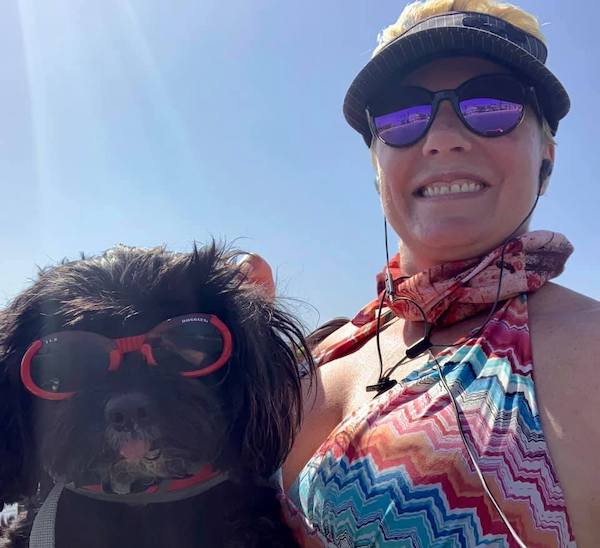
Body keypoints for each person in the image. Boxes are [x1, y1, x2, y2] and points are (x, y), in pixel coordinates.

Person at [282, 1, 600, 546]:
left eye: (492, 104)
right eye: (402, 115)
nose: (442, 137)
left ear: (546, 160)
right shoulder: (321, 349)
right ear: (376, 166)